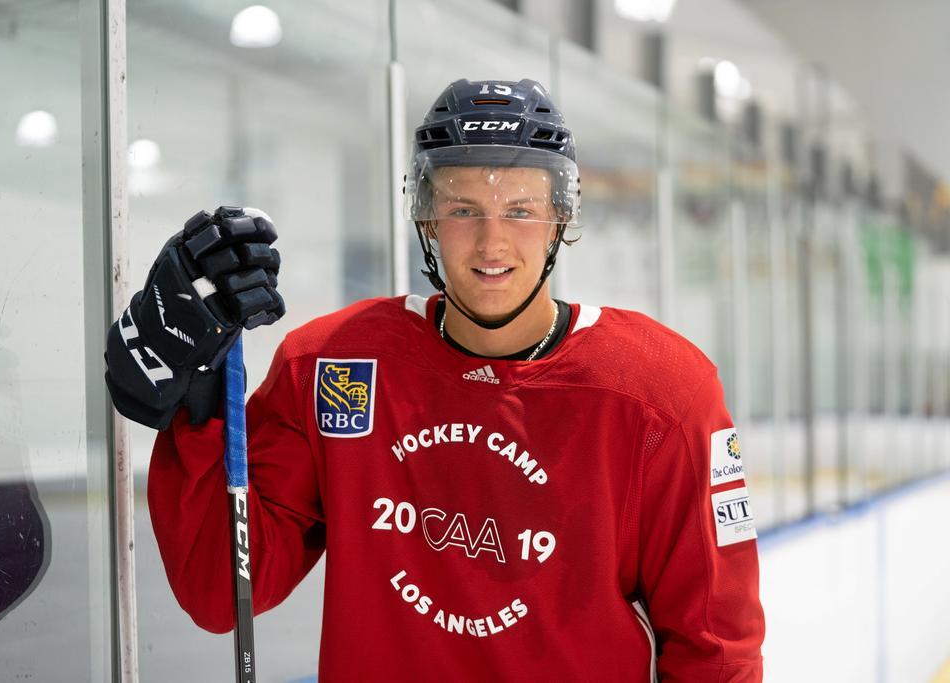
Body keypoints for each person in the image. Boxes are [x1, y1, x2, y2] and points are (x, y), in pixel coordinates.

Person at [105, 78, 765, 681]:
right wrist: (200, 407)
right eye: (462, 209)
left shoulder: (661, 392)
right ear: (425, 218)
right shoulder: (334, 364)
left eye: (522, 211)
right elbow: (224, 589)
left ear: (561, 218)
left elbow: (719, 650)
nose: (491, 244)